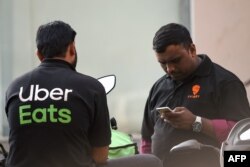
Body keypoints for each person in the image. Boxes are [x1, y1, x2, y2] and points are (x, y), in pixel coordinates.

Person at [5, 20, 163, 167]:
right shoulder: (91, 88)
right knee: (150, 162)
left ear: (39, 54)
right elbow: (100, 156)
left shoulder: (15, 87)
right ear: (72, 48)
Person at [140, 23, 250, 166]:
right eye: (163, 63)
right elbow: (146, 140)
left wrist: (196, 123)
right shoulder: (158, 87)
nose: (170, 69)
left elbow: (243, 137)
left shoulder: (225, 83)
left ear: (192, 50)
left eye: (175, 60)